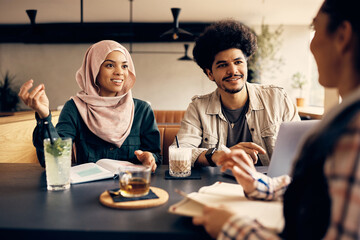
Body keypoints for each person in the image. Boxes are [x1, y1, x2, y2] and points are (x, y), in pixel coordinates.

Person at [193, 0, 360, 238]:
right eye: (223, 65)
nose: (311, 45)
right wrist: (259, 184)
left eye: (315, 28)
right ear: (210, 73)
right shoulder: (343, 123)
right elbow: (319, 192)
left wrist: (232, 227)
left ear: (342, 36)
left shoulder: (352, 136)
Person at [18, 40, 161, 172]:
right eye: (110, 65)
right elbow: (54, 161)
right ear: (93, 69)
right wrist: (44, 117)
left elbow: (156, 157)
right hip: (86, 192)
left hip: (132, 189)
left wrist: (150, 158)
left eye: (124, 66)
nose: (119, 72)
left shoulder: (142, 110)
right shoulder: (74, 108)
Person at [174, 20, 300, 167]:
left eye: (238, 62)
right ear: (210, 74)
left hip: (270, 184)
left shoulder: (277, 98)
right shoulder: (198, 107)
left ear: (246, 65)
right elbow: (179, 151)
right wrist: (216, 155)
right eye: (222, 65)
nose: (233, 70)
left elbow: (302, 146)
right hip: (215, 185)